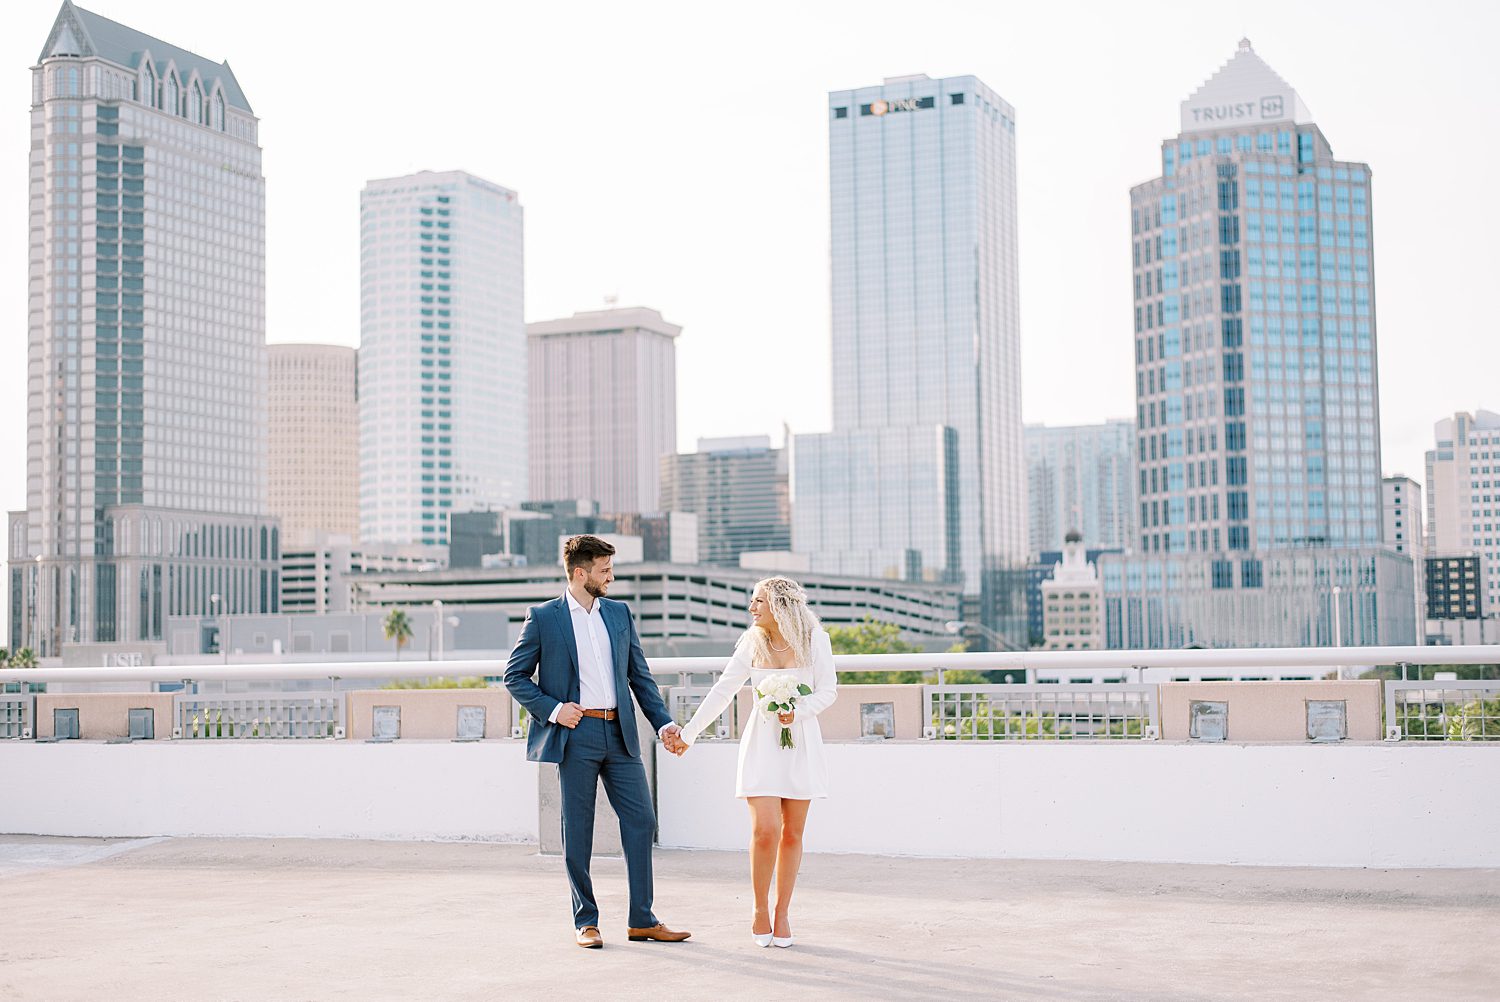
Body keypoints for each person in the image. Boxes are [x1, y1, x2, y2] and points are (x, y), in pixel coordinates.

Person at [503, 534, 691, 949]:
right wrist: (554, 709)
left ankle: (642, 918)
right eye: (605, 570)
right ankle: (585, 921)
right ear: (580, 572)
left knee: (642, 821)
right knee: (579, 831)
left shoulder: (620, 614)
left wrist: (664, 725)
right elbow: (513, 676)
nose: (611, 577)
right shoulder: (544, 617)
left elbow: (639, 678)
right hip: (576, 734)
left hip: (620, 732)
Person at [672, 576, 837, 948]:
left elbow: (828, 690)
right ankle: (760, 908)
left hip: (801, 742)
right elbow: (723, 691)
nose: (751, 609)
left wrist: (797, 712)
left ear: (779, 605)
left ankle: (782, 913)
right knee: (766, 831)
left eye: (758, 601)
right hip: (763, 743)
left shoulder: (815, 640)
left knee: (793, 832)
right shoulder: (751, 642)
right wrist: (690, 733)